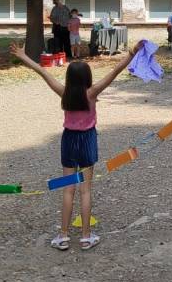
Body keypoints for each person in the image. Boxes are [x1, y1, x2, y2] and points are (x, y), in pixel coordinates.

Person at [9, 39, 143, 251]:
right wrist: (132, 53)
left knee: (67, 190)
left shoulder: (64, 92)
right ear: (88, 78)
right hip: (87, 139)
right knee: (86, 190)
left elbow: (43, 73)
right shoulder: (92, 92)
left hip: (69, 140)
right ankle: (86, 236)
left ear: (69, 78)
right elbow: (116, 71)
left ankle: (63, 236)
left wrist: (24, 56)